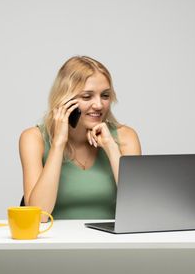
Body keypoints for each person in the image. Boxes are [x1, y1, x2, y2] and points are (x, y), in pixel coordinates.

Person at [19, 56, 141, 221]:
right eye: (86, 96)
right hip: (55, 243)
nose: (98, 105)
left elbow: (139, 207)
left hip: (111, 243)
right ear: (65, 100)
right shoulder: (33, 139)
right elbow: (39, 216)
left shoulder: (126, 137)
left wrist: (111, 148)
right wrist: (58, 143)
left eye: (105, 96)